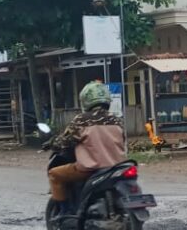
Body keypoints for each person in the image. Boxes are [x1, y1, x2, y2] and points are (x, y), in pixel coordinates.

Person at [45, 81, 126, 217]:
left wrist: (53, 143)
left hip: (90, 168)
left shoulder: (82, 120)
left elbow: (65, 141)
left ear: (86, 100)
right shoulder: (117, 120)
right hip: (116, 167)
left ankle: (65, 212)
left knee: (54, 174)